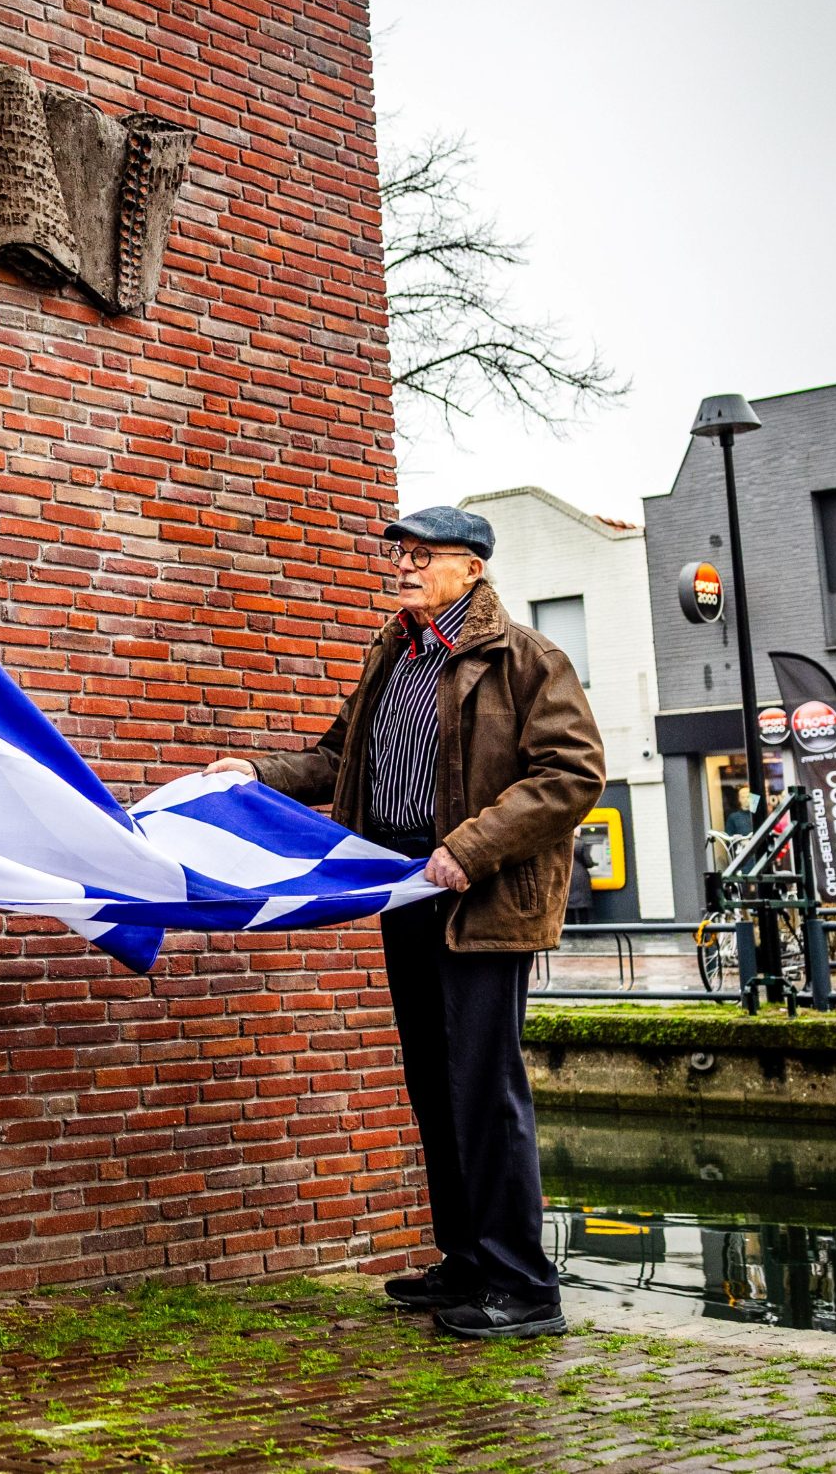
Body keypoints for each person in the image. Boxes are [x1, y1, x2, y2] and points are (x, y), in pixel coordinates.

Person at [203, 505, 603, 1339]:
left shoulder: (527, 658)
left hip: (478, 898)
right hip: (403, 891)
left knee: (483, 1092)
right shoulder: (394, 655)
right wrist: (256, 775)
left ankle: (524, 1288)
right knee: (434, 1086)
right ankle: (467, 1263)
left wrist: (470, 847)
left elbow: (571, 775)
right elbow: (339, 761)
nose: (407, 565)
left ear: (474, 569)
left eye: (427, 555)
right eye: (403, 554)